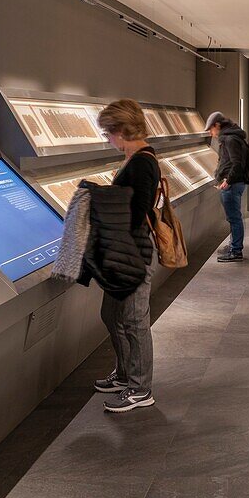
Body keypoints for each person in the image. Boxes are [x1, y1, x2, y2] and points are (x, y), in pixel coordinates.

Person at [93, 99, 160, 412]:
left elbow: (138, 211)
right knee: (112, 315)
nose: (108, 140)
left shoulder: (143, 162)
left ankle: (140, 388)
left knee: (134, 321)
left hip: (133, 254)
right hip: (121, 253)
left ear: (120, 130)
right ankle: (124, 373)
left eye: (108, 133)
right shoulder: (134, 158)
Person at [205, 111, 249, 263]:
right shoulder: (231, 137)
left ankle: (236, 251)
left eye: (211, 129)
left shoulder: (230, 139)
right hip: (233, 184)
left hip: (232, 185)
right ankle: (233, 246)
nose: (211, 133)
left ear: (217, 125)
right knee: (233, 217)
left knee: (234, 218)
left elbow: (237, 164)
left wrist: (227, 181)